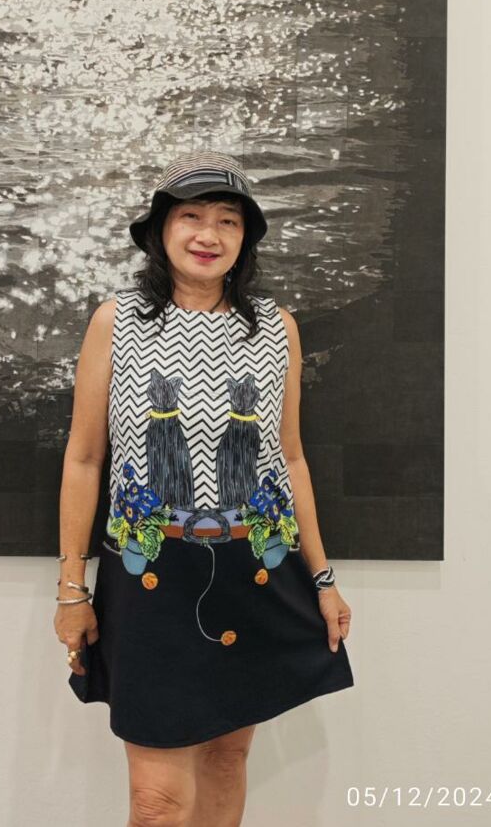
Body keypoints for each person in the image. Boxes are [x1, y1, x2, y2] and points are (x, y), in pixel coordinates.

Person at [53, 150, 355, 826]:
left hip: (256, 571)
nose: (208, 234)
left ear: (245, 239)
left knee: (226, 760)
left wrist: (324, 579)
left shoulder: (276, 328)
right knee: (157, 802)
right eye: (191, 216)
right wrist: (73, 588)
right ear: (161, 229)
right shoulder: (116, 322)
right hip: (150, 578)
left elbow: (291, 458)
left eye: (228, 220)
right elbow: (84, 459)